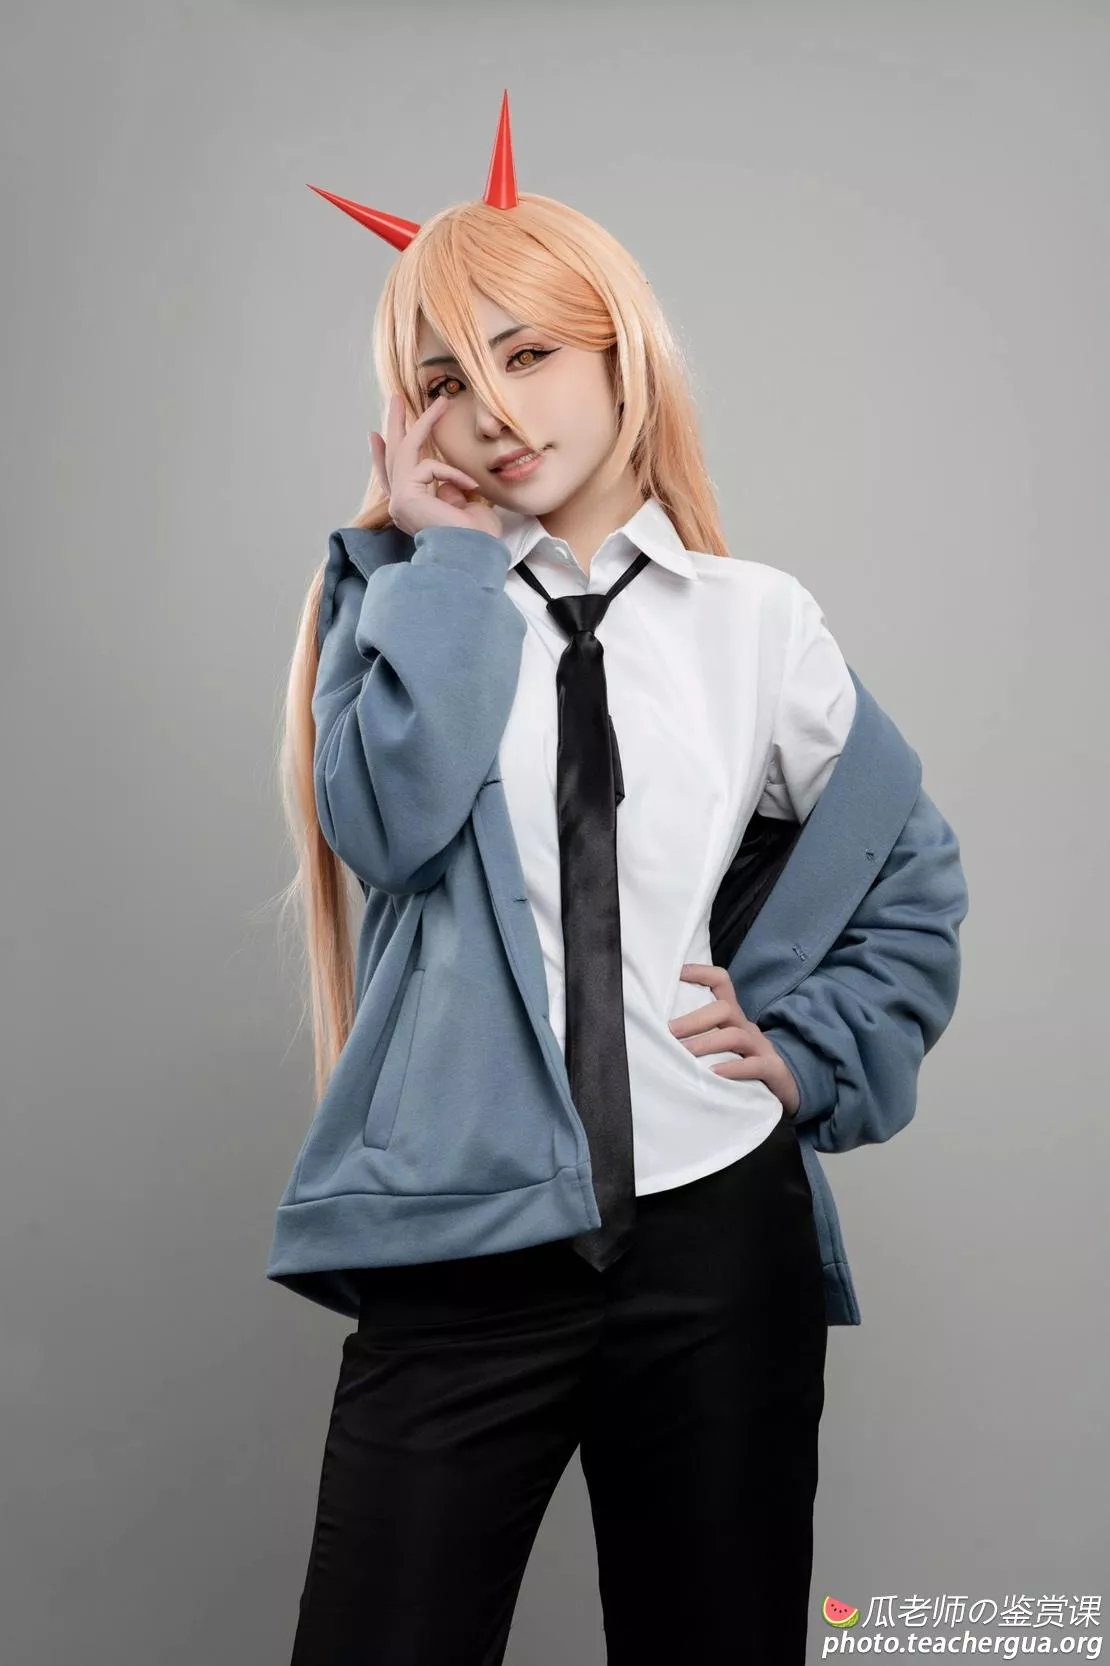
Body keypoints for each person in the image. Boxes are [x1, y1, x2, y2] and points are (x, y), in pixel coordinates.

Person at [268, 92, 968, 1666]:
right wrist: (450, 558)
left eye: (525, 353)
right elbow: (390, 826)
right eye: (443, 381)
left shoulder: (753, 619)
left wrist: (813, 1048)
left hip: (714, 1236)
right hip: (461, 1238)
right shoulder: (396, 603)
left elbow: (907, 868)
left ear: (614, 352)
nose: (493, 408)